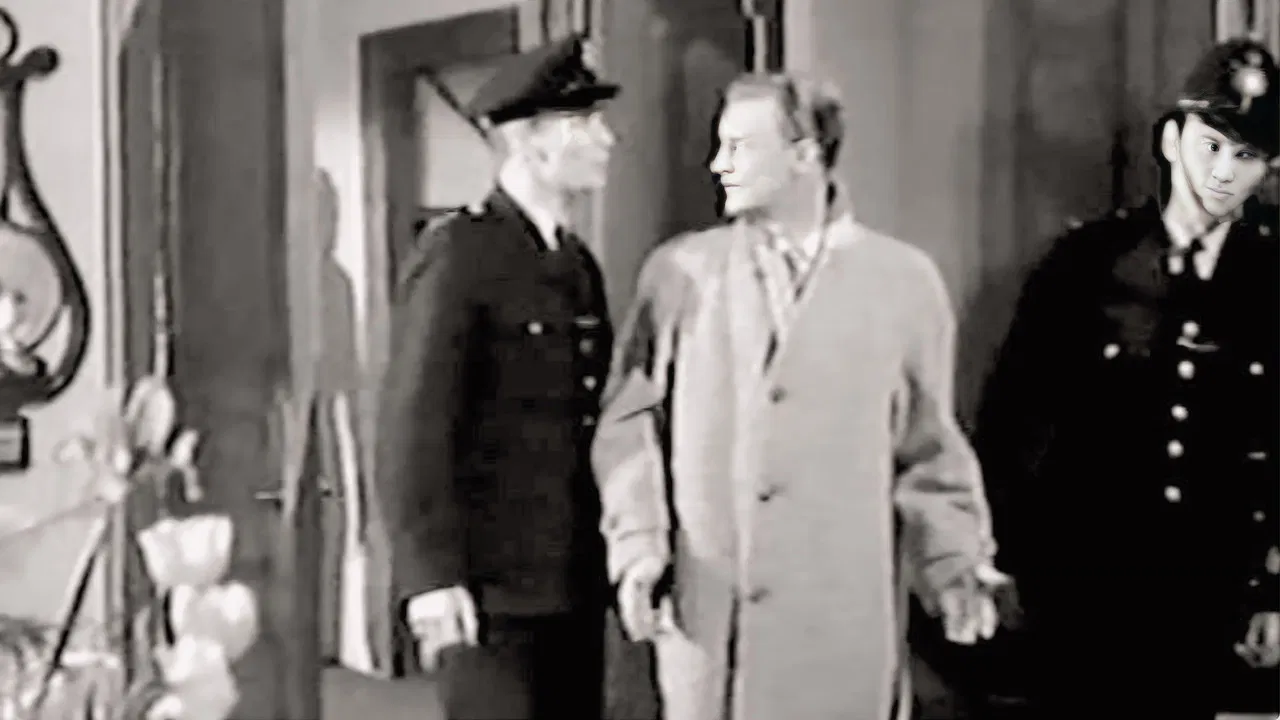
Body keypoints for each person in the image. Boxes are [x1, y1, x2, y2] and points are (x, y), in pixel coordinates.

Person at [591, 72, 1008, 720]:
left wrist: (954, 564)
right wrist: (639, 543)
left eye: (738, 147)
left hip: (840, 628)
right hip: (712, 625)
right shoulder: (679, 275)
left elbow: (929, 449)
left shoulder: (902, 284)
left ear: (804, 155)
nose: (718, 164)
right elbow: (628, 421)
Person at [974, 38, 1280, 720]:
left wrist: (1273, 593)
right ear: (1172, 141)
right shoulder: (1085, 265)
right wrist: (1006, 560)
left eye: (1246, 156)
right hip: (1086, 590)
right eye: (1210, 146)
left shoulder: (1270, 276)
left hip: (1215, 596)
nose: (1224, 172)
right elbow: (1016, 425)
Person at [373, 34, 618, 720]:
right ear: (529, 140)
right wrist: (429, 576)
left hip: (568, 580)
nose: (605, 140)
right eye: (584, 123)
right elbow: (413, 425)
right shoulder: (461, 253)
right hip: (487, 588)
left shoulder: (575, 265)